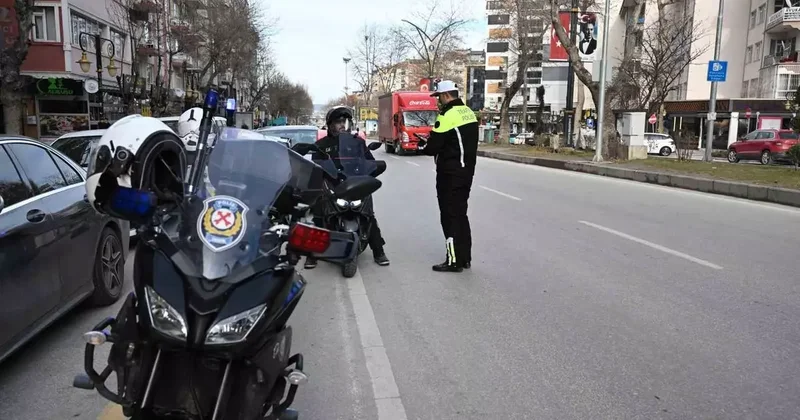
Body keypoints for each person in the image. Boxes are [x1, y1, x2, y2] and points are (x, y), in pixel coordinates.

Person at [304, 106, 390, 269]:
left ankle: (379, 251)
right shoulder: (321, 145)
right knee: (318, 214)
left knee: (368, 215)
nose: (343, 125)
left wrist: (372, 170)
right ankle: (312, 254)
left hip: (356, 185)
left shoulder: (358, 143)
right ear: (330, 125)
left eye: (345, 121)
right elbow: (314, 166)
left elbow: (369, 161)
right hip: (333, 186)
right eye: (338, 122)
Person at [419, 80, 478, 273]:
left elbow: (433, 147)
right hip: (466, 172)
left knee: (449, 216)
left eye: (438, 98)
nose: (438, 102)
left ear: (445, 96)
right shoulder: (468, 112)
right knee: (461, 214)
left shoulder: (446, 115)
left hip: (449, 174)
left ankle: (453, 261)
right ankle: (465, 257)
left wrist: (423, 145)